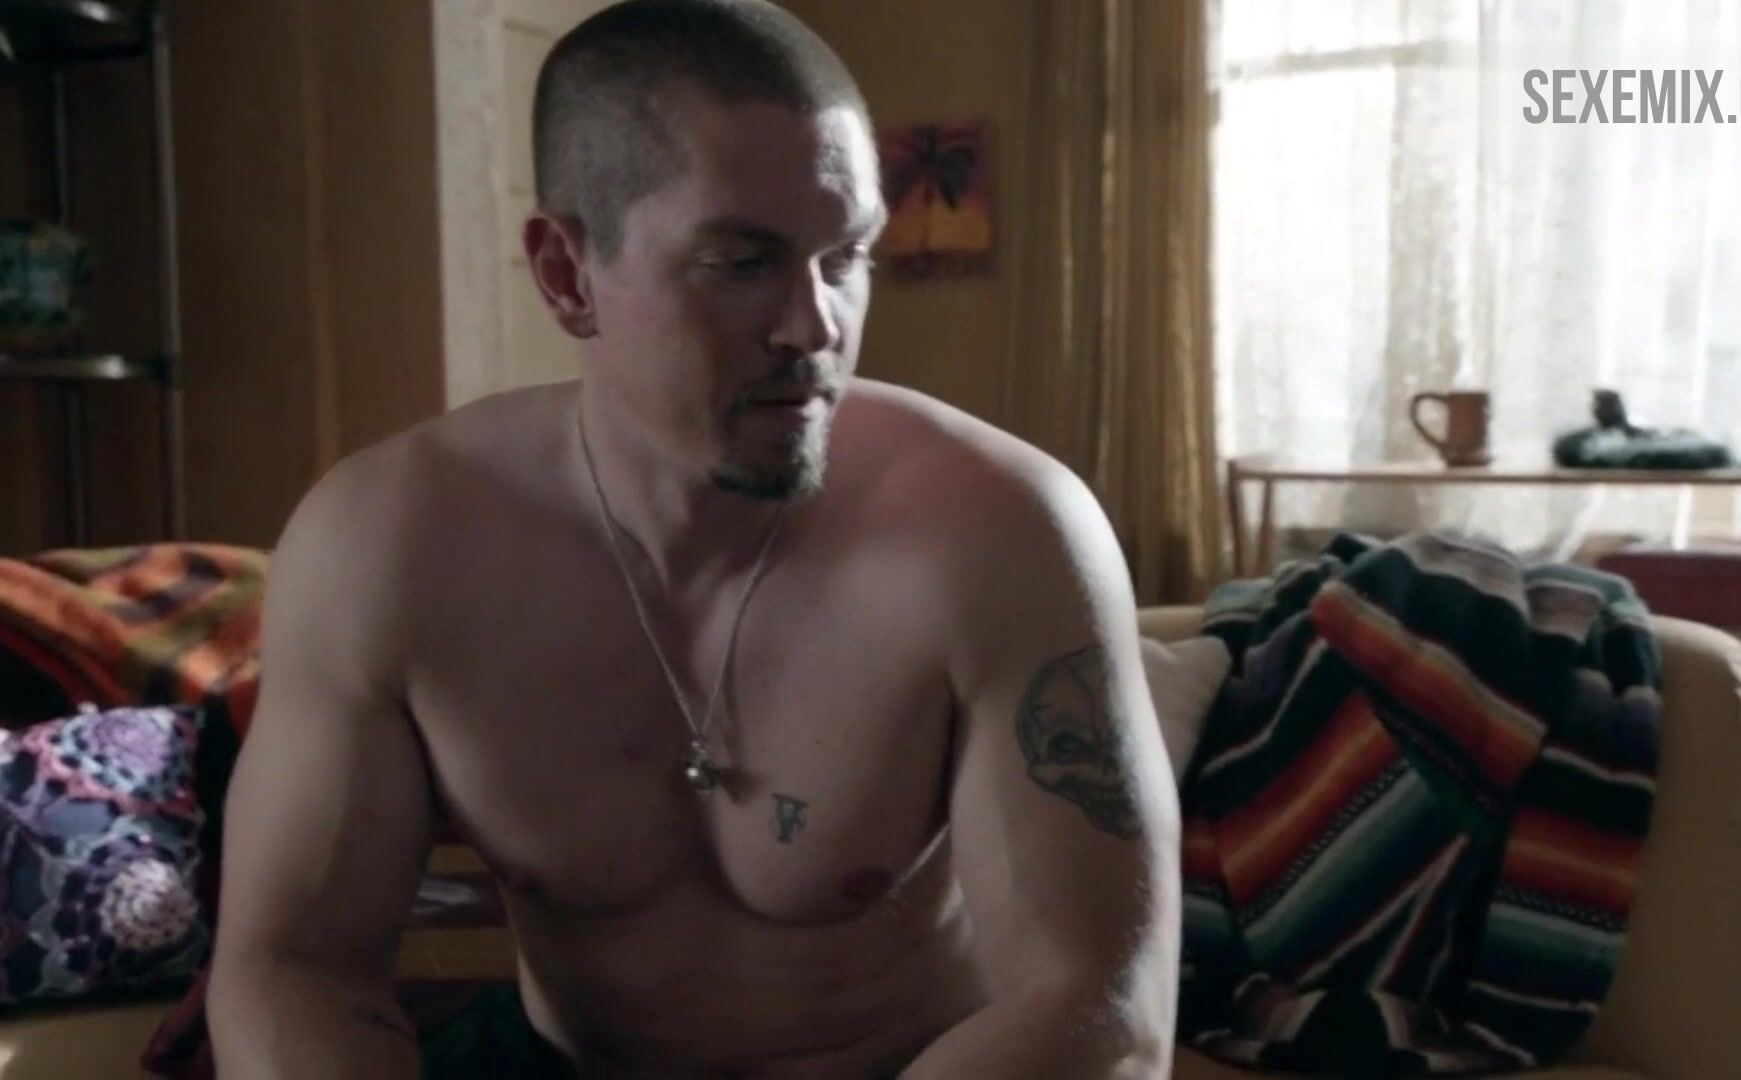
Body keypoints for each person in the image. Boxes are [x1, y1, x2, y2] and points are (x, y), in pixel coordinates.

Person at [205, 1, 1182, 1076]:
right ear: (567, 273)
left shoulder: (1000, 533)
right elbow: (292, 966)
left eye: (846, 257)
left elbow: (1099, 1009)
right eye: (742, 262)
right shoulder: (387, 544)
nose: (816, 326)